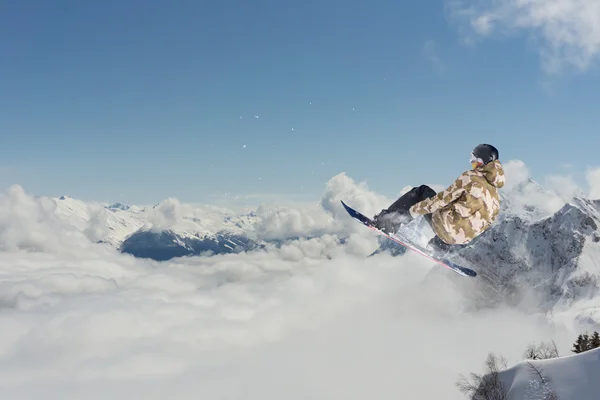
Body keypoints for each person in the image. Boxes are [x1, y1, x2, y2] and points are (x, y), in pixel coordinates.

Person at [372, 144, 505, 254]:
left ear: (482, 162)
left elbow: (442, 200)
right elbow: (485, 226)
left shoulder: (471, 177)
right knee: (460, 212)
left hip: (445, 228)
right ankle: (440, 246)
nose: (472, 163)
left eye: (474, 160)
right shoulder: (496, 197)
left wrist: (411, 212)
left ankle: (387, 222)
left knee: (422, 191)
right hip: (458, 241)